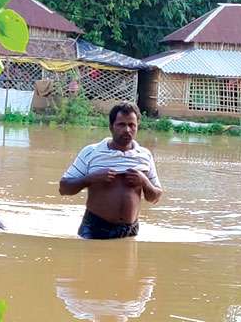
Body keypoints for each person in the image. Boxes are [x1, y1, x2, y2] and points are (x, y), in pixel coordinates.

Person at [59, 102, 163, 239]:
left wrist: (144, 182)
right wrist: (90, 179)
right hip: (94, 228)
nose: (127, 130)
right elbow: (63, 188)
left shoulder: (145, 156)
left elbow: (155, 197)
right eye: (121, 124)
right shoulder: (91, 152)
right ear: (111, 127)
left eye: (132, 125)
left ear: (137, 127)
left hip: (130, 231)